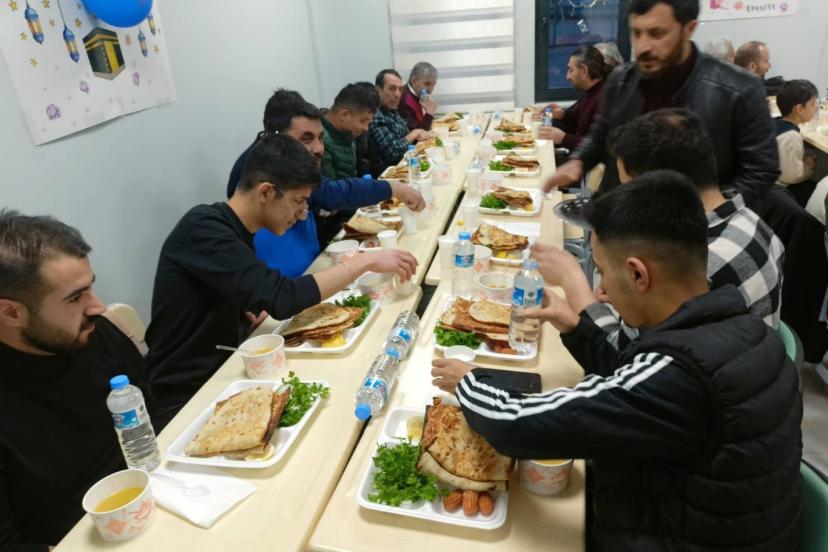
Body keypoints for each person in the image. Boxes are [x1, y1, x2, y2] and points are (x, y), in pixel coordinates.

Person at [432, 172, 802, 551]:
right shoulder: (742, 328)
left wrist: (470, 383)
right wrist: (576, 325)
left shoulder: (681, 375)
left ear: (638, 273)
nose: (601, 290)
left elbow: (518, 423)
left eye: (603, 271)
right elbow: (631, 378)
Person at [147, 134, 418, 428]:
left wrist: (245, 307)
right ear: (266, 192)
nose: (301, 216)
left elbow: (249, 291)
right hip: (186, 396)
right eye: (298, 202)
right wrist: (363, 262)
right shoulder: (203, 228)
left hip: (230, 367)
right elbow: (283, 298)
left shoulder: (233, 229)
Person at [539, 108, 784, 358]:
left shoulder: (696, 265)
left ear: (662, 185)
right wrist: (621, 287)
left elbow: (623, 358)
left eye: (629, 189)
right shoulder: (753, 223)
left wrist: (571, 279)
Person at [0, 211, 151, 550]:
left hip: (156, 495)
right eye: (75, 297)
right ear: (10, 312)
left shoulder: (97, 335)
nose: (97, 306)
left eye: (90, 287)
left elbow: (155, 413)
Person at [544, 0, 778, 212]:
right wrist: (579, 161)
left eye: (657, 33)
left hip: (694, 231)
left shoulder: (740, 90)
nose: (642, 46)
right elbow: (601, 134)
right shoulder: (621, 79)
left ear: (689, 29)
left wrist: (710, 211)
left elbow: (760, 170)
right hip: (621, 217)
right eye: (636, 33)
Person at [227, 89, 423, 274]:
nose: (319, 148)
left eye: (321, 138)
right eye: (306, 139)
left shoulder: (285, 160)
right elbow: (330, 193)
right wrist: (393, 188)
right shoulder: (263, 167)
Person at [538, 45, 608, 151]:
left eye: (571, 70)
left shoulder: (602, 99)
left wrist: (564, 139)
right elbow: (579, 126)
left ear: (584, 71)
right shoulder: (589, 93)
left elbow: (598, 147)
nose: (567, 77)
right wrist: (563, 115)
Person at [368, 69, 432, 172]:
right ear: (378, 90)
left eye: (400, 89)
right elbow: (393, 152)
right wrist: (415, 133)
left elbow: (406, 134)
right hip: (390, 174)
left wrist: (414, 135)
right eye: (392, 89)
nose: (397, 94)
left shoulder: (392, 110)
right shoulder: (374, 115)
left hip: (406, 165)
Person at [321, 82, 379, 180]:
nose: (366, 128)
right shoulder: (320, 142)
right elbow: (332, 187)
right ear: (344, 115)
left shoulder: (346, 133)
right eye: (362, 121)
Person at [775, 79, 819, 206]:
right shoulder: (792, 137)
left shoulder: (776, 122)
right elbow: (792, 176)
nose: (815, 108)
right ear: (799, 109)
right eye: (812, 104)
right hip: (779, 190)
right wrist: (809, 166)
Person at [398, 61, 439, 131]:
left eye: (433, 85)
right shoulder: (404, 100)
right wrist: (430, 112)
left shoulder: (419, 95)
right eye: (427, 84)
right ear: (414, 80)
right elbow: (419, 134)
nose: (430, 90)